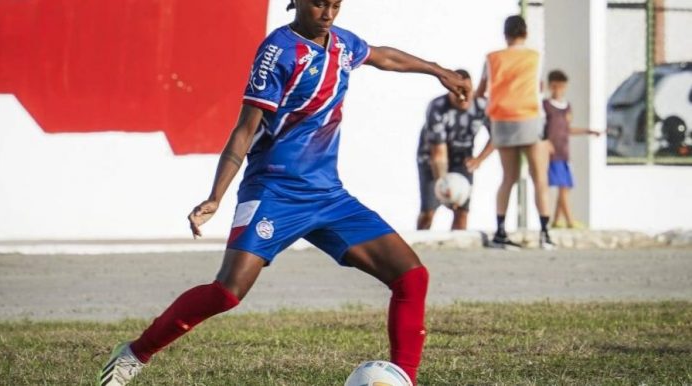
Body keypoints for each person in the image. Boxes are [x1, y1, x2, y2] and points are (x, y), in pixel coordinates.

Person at [98, 1, 469, 385]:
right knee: (228, 291)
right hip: (274, 191)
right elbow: (244, 130)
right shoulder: (278, 51)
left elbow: (383, 57)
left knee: (411, 276)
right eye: (318, 4)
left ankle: (403, 380)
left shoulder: (343, 45)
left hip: (327, 195)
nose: (327, 13)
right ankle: (132, 355)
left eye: (335, 5)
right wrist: (216, 196)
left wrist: (439, 71)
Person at [475, 15, 554, 250]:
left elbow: (481, 90)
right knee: (539, 178)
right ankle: (545, 234)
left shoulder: (492, 58)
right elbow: (540, 87)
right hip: (530, 117)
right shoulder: (536, 57)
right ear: (525, 33)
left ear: (505, 34)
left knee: (508, 177)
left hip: (502, 119)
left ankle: (500, 232)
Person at [416, 69, 494, 231]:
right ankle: (419, 246)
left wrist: (479, 159)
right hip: (431, 160)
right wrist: (444, 184)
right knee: (428, 211)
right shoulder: (437, 107)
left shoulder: (483, 106)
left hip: (463, 160)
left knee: (462, 210)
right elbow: (439, 153)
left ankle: (458, 250)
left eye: (468, 91)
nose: (463, 96)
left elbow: (498, 135)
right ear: (450, 90)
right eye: (459, 91)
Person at [543, 70, 601, 228]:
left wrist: (588, 131)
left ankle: (556, 220)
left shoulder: (567, 107)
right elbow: (541, 128)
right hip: (551, 153)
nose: (557, 90)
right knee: (563, 186)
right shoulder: (545, 106)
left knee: (566, 186)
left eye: (561, 87)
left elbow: (567, 128)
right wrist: (545, 142)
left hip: (564, 152)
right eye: (554, 86)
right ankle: (569, 220)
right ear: (550, 86)